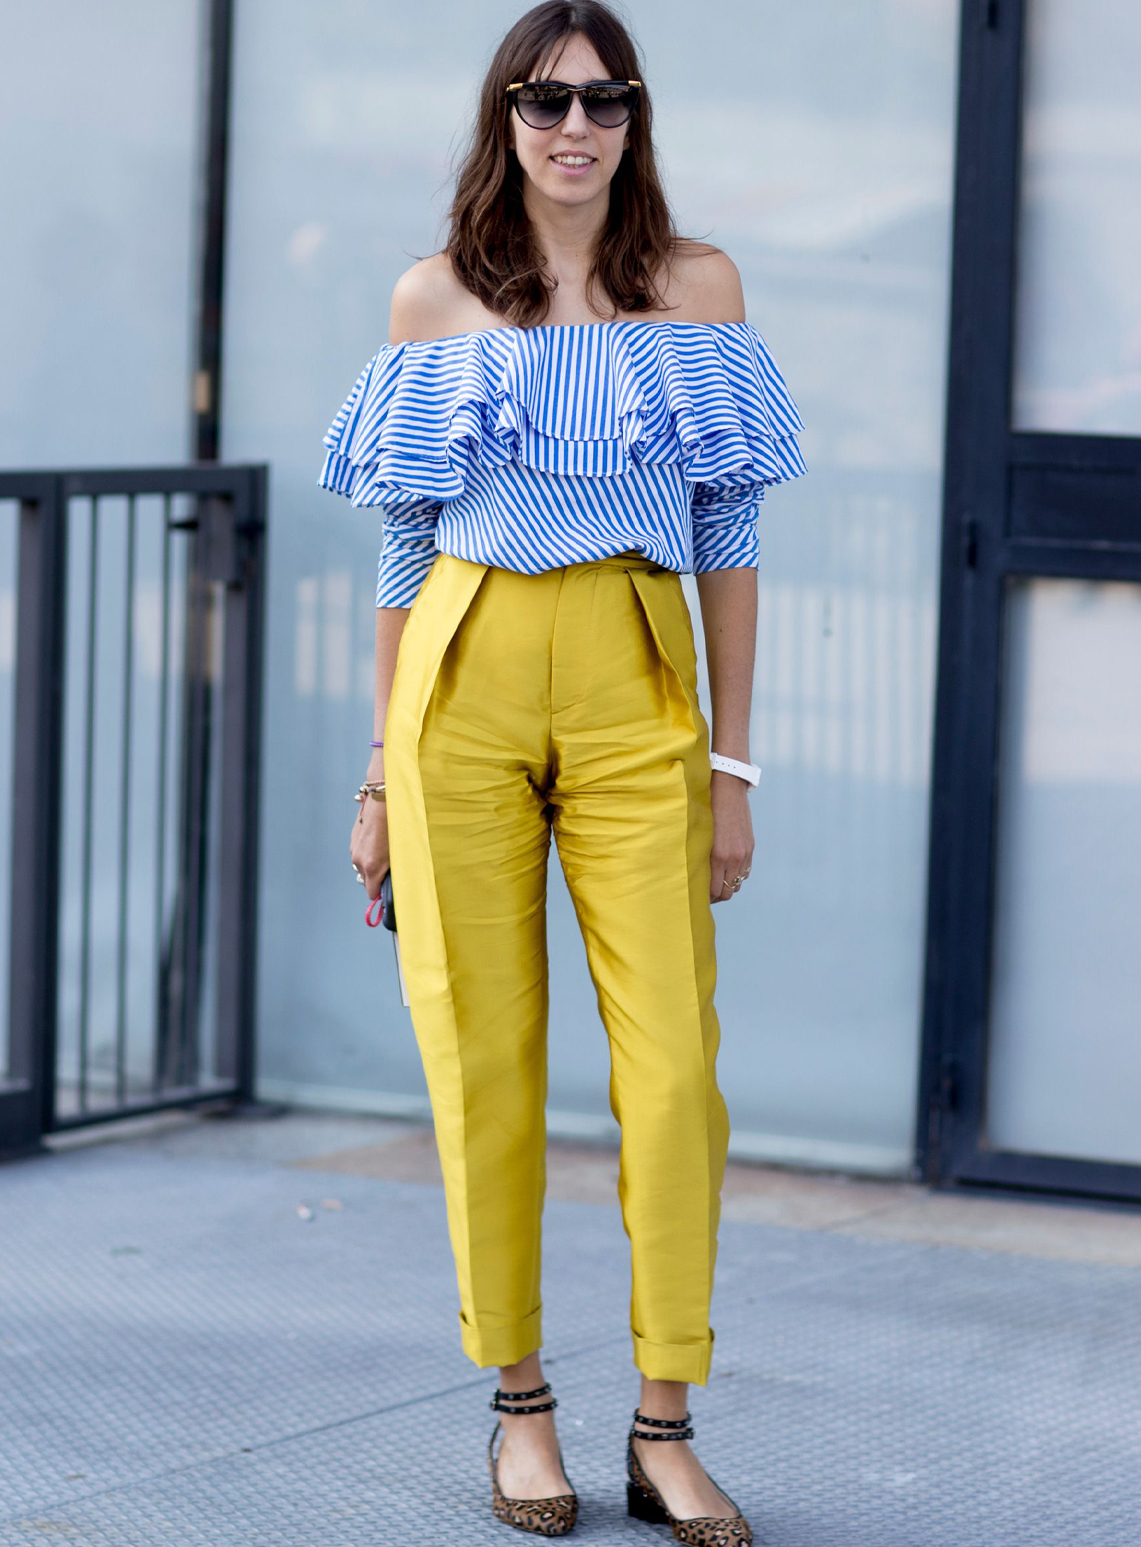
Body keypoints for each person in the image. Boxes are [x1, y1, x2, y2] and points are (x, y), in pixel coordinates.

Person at [319, 2, 805, 1539]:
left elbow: (728, 535)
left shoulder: (698, 289)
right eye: (543, 101)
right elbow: (405, 548)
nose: (573, 127)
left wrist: (731, 766)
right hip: (458, 679)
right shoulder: (435, 297)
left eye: (603, 101)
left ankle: (665, 1422)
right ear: (505, 120)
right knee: (481, 1055)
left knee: (671, 1070)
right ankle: (520, 1408)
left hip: (635, 672)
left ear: (636, 120)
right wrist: (380, 776)